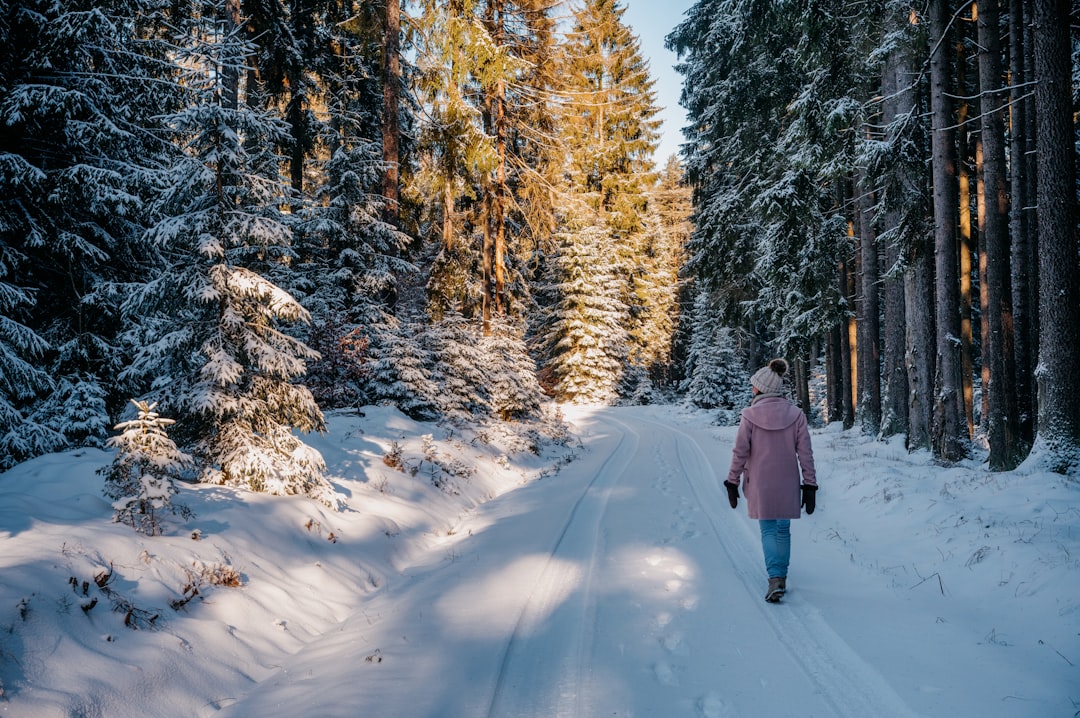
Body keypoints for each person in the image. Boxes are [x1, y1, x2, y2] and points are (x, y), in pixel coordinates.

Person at [724, 358, 817, 602]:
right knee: (783, 529)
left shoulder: (749, 415)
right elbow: (805, 453)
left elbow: (740, 451)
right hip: (787, 482)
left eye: (754, 385)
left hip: (760, 483)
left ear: (762, 388)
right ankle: (781, 576)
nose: (752, 389)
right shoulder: (796, 415)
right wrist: (810, 485)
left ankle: (775, 578)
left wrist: (732, 481)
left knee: (767, 529)